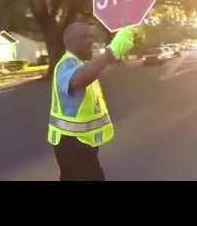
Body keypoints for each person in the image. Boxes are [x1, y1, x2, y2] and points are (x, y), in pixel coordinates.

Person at [48, 22, 134, 181]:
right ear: (69, 42)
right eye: (83, 37)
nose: (90, 41)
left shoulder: (83, 65)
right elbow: (76, 81)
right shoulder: (67, 64)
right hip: (71, 144)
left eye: (91, 37)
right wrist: (110, 53)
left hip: (81, 142)